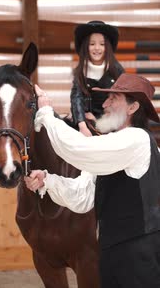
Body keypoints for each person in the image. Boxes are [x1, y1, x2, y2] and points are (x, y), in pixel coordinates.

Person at [25, 74, 160, 288]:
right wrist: (48, 181)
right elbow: (84, 196)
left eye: (113, 98)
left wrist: (47, 113)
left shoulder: (137, 139)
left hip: (138, 254)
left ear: (133, 107)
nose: (105, 104)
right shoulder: (112, 147)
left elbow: (77, 149)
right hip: (109, 252)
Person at [70, 20, 124, 136]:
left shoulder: (117, 70)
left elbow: (123, 100)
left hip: (113, 122)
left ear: (107, 47)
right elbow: (76, 98)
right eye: (92, 44)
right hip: (87, 120)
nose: (97, 48)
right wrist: (82, 123)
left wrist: (101, 120)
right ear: (86, 47)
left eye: (102, 44)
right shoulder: (80, 72)